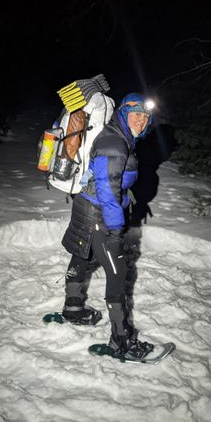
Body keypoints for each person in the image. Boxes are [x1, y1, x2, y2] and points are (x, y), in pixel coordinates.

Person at [60, 92, 155, 359]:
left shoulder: (118, 135)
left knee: (81, 255)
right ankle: (121, 340)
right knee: (118, 272)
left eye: (145, 116)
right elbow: (106, 189)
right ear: (124, 113)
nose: (141, 121)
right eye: (136, 115)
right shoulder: (115, 142)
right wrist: (114, 229)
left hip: (87, 207)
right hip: (100, 215)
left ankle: (73, 307)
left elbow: (110, 182)